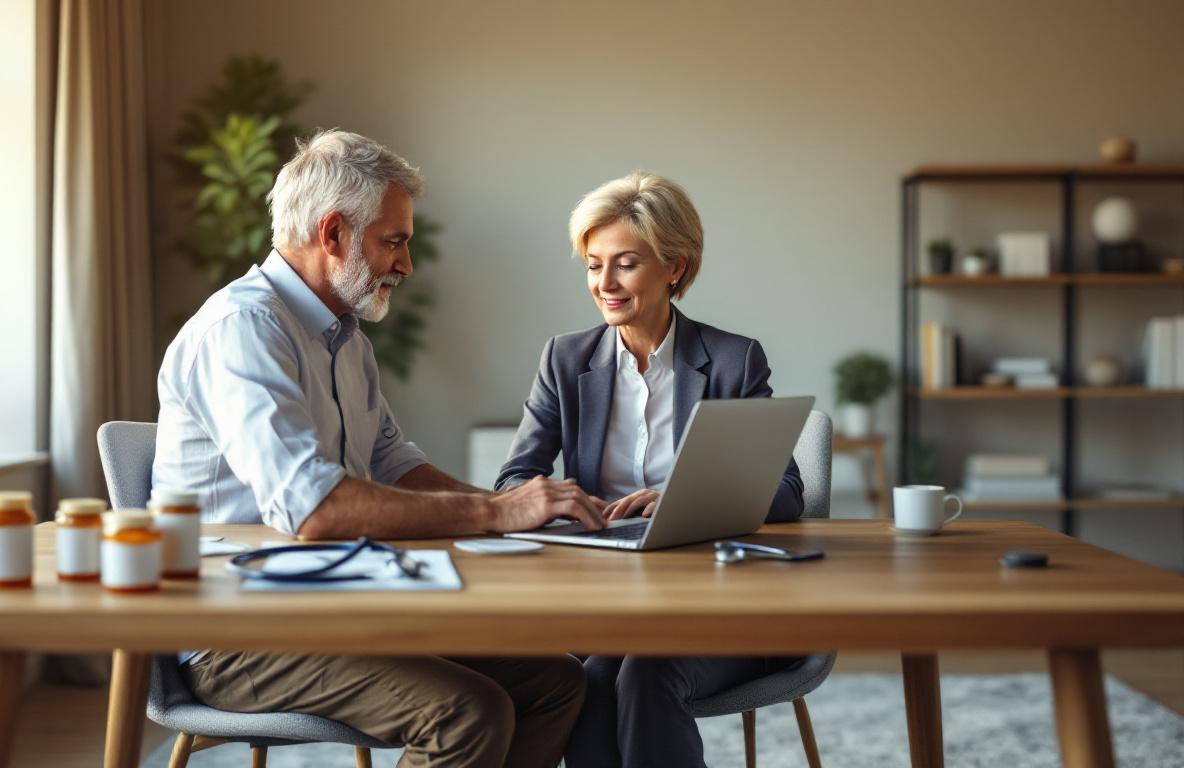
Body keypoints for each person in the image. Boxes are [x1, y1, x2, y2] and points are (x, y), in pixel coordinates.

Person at [153, 129, 606, 768]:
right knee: (466, 713)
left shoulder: (345, 340)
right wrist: (500, 514)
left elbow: (396, 464)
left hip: (333, 604)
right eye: (393, 241)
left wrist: (532, 512)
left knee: (556, 683)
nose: (407, 264)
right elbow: (314, 511)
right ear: (333, 233)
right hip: (237, 633)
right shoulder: (242, 330)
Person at [495, 171, 804, 768]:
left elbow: (787, 491)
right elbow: (512, 482)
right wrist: (552, 499)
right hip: (601, 600)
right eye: (592, 264)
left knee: (643, 675)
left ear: (675, 268)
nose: (604, 284)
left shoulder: (735, 360)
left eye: (625, 264)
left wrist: (679, 497)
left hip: (713, 605)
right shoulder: (565, 359)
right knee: (598, 675)